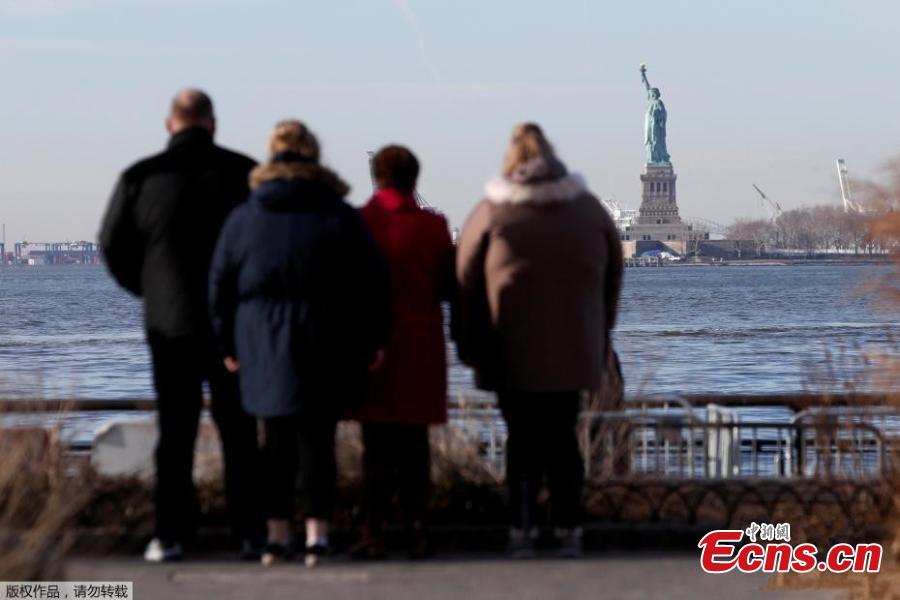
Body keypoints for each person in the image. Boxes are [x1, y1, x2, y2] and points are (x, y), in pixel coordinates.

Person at [209, 120, 391, 567]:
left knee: (275, 443)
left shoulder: (244, 217)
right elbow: (372, 282)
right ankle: (317, 536)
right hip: (326, 337)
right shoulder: (339, 214)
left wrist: (227, 343)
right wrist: (375, 339)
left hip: (261, 340)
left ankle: (275, 536)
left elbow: (220, 286)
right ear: (314, 154)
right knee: (318, 442)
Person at [99, 89, 264, 562]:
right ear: (213, 123)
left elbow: (111, 244)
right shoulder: (245, 173)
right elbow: (264, 244)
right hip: (232, 324)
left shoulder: (140, 177)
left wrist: (147, 288)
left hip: (169, 324)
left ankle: (172, 533)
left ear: (169, 125)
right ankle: (250, 533)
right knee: (239, 432)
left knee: (175, 432)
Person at [455, 123, 623, 558]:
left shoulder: (493, 211)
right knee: (564, 440)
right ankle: (569, 527)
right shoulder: (588, 210)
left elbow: (464, 282)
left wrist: (469, 343)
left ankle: (521, 528)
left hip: (509, 348)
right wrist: (599, 331)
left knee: (521, 441)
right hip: (574, 348)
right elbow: (613, 276)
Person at [348, 145, 454, 559]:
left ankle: (373, 531)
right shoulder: (433, 226)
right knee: (415, 446)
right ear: (414, 178)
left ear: (377, 177)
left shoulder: (359, 223)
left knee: (374, 448)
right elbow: (449, 286)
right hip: (420, 347)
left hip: (370, 349)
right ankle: (416, 529)